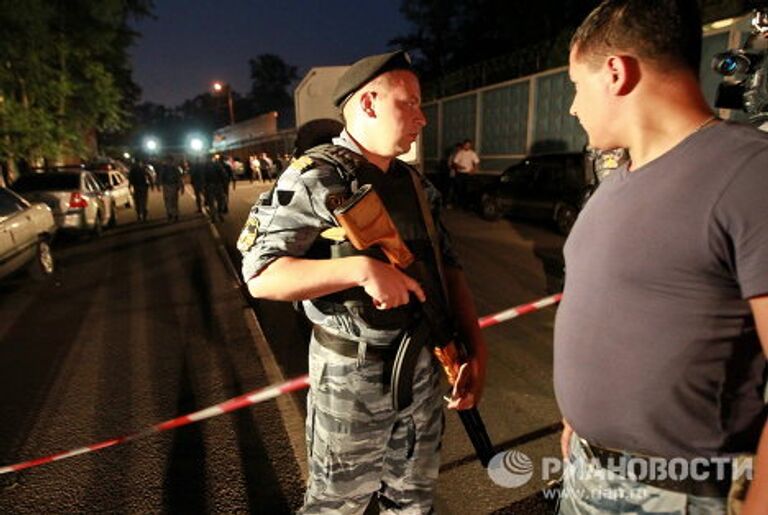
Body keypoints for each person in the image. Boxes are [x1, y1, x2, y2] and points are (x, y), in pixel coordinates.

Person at [238, 50, 487, 514]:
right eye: (409, 103)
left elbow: (448, 269)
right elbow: (260, 275)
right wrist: (359, 269)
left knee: (413, 501)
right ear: (369, 103)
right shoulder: (316, 177)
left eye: (420, 104)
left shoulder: (416, 184)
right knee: (338, 506)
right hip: (351, 382)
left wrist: (475, 350)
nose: (422, 118)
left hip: (425, 369)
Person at [555, 1, 768, 513]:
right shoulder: (615, 181)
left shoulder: (749, 175)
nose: (573, 108)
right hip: (588, 475)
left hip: (681, 494)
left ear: (615, 73)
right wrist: (578, 422)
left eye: (575, 87)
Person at [451, 139, 479, 206]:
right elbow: (455, 163)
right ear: (464, 145)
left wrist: (473, 170)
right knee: (459, 189)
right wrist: (459, 166)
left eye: (469, 145)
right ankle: (460, 203)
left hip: (468, 174)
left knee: (468, 189)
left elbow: (477, 163)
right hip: (460, 174)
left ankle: (467, 204)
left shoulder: (472, 153)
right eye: (466, 145)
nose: (467, 146)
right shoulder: (460, 153)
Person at [157, 156, 185, 222]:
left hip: (170, 186)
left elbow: (179, 178)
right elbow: (179, 178)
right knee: (172, 201)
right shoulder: (173, 168)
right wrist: (181, 187)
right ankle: (173, 214)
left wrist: (181, 186)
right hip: (170, 186)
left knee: (170, 201)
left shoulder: (167, 168)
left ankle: (172, 214)